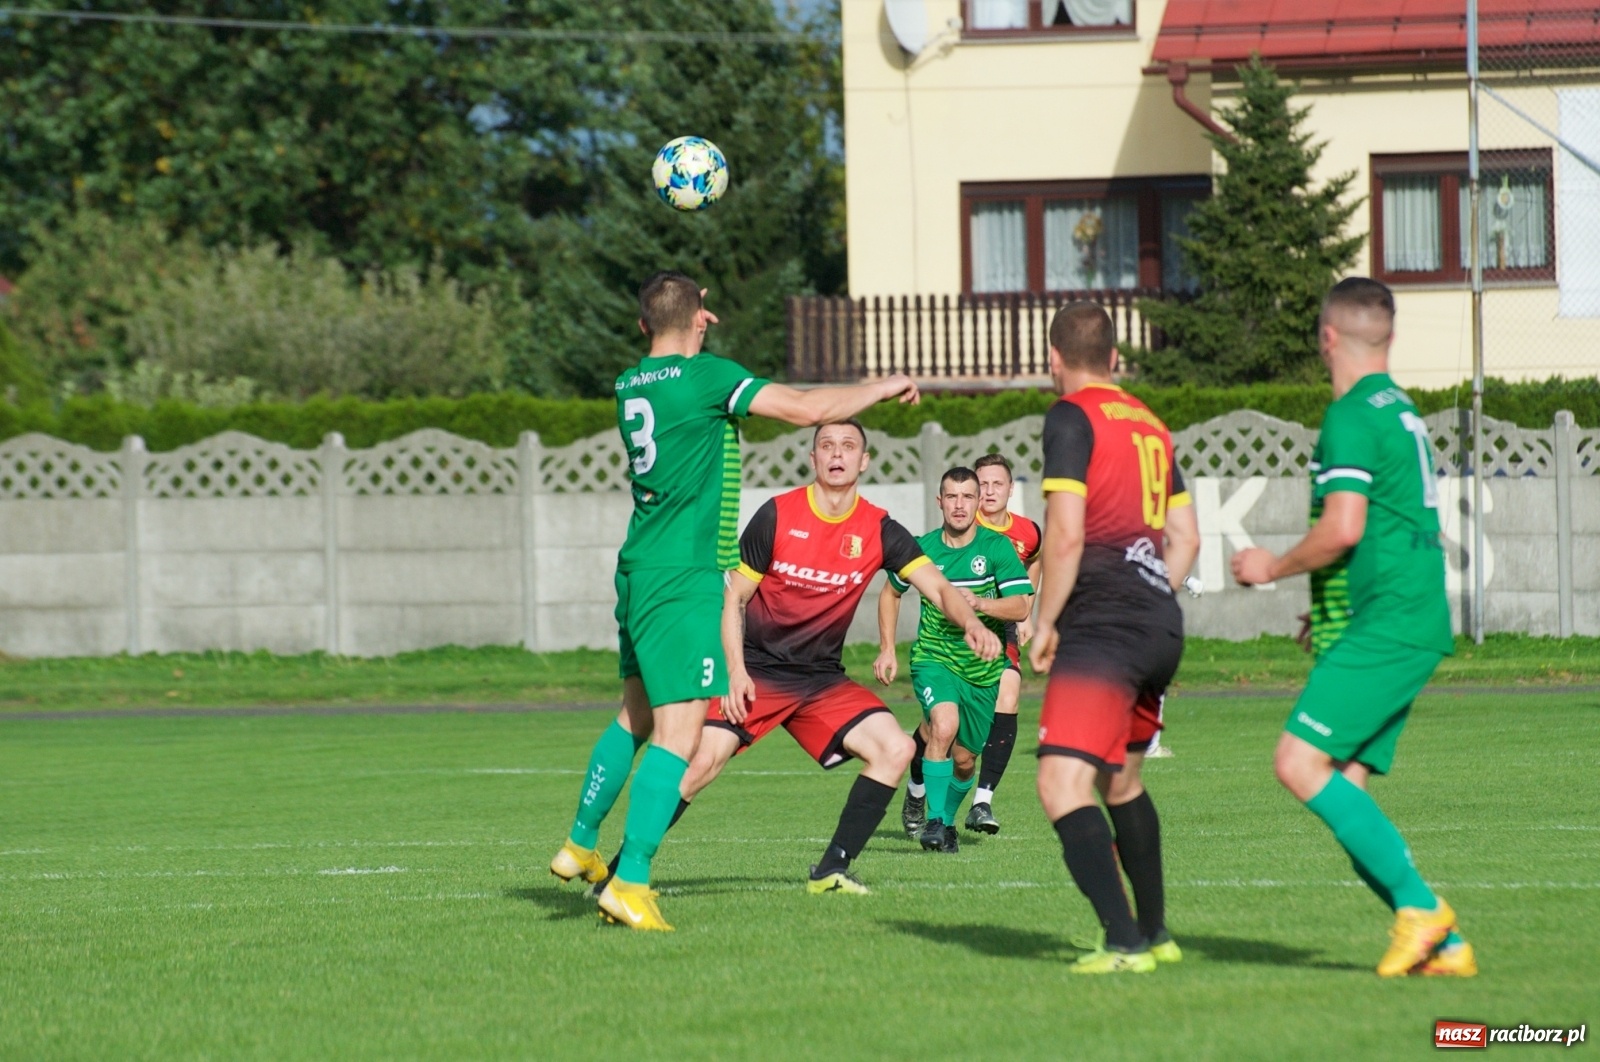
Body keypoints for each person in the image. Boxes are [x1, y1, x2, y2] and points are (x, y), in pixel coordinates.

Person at [548, 271, 921, 932]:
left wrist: (684, 326)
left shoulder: (630, 381)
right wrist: (884, 387)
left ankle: (580, 844)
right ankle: (629, 882)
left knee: (635, 713)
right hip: (683, 576)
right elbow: (807, 410)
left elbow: (673, 355)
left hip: (637, 566)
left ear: (642, 326)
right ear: (704, 317)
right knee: (681, 730)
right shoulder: (706, 377)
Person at [617, 420, 1000, 895]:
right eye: (826, 445)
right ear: (813, 458)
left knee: (896, 748)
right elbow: (733, 598)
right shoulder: (777, 514)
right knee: (699, 765)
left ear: (864, 461)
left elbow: (939, 587)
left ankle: (832, 869)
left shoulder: (879, 529)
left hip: (820, 680)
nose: (837, 454)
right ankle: (621, 872)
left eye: (848, 446)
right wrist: (735, 671)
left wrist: (972, 622)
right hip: (757, 670)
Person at [1231, 278, 1474, 977]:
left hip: (1393, 622)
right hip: (1403, 616)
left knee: (1297, 762)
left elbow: (1343, 527)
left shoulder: (1348, 416)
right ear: (1388, 338)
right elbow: (1384, 529)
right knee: (1344, 783)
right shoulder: (1397, 408)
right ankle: (1444, 944)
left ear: (1326, 337)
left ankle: (1423, 911)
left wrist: (1270, 566)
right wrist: (1333, 610)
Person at [1029, 301, 1200, 975]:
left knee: (1059, 784)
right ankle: (1156, 933)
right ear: (1117, 360)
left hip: (1104, 627)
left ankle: (1125, 941)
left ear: (1054, 359)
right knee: (1120, 780)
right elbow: (1185, 539)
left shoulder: (1071, 416)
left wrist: (1045, 621)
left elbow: (1066, 533)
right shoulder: (1152, 427)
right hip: (1160, 622)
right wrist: (1152, 594)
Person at [876, 468, 1033, 854]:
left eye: (967, 497)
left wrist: (981, 604)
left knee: (964, 762)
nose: (959, 505)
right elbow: (890, 593)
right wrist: (887, 648)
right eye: (952, 497)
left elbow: (1022, 605)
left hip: (982, 667)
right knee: (942, 726)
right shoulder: (921, 548)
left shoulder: (997, 549)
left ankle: (944, 822)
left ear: (979, 502)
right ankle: (933, 821)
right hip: (934, 658)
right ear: (939, 502)